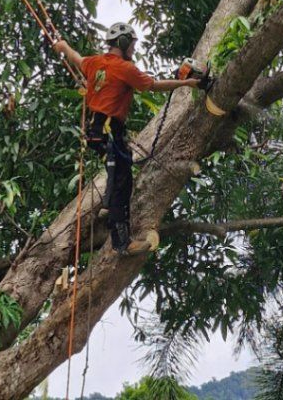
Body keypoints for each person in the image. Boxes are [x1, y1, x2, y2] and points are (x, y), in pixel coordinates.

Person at [52, 22, 202, 254]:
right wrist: (186, 82)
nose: (133, 49)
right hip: (110, 132)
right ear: (122, 43)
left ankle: (107, 206)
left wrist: (63, 47)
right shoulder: (125, 69)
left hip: (97, 132)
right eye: (131, 45)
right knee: (122, 183)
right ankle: (122, 244)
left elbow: (76, 58)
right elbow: (153, 85)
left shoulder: (94, 63)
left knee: (120, 175)